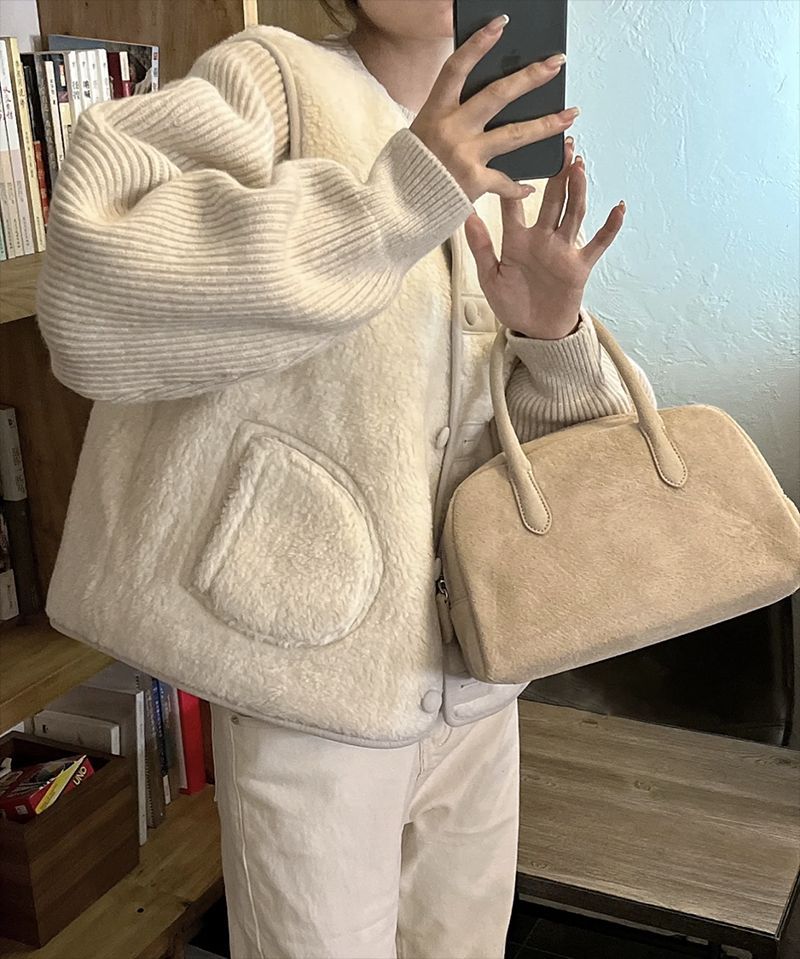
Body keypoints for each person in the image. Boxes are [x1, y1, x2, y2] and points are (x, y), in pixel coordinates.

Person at [36, 1, 657, 956]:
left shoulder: (505, 144)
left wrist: (553, 337)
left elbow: (537, 467)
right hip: (307, 677)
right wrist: (394, 202)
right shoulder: (272, 79)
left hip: (482, 678)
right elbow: (90, 294)